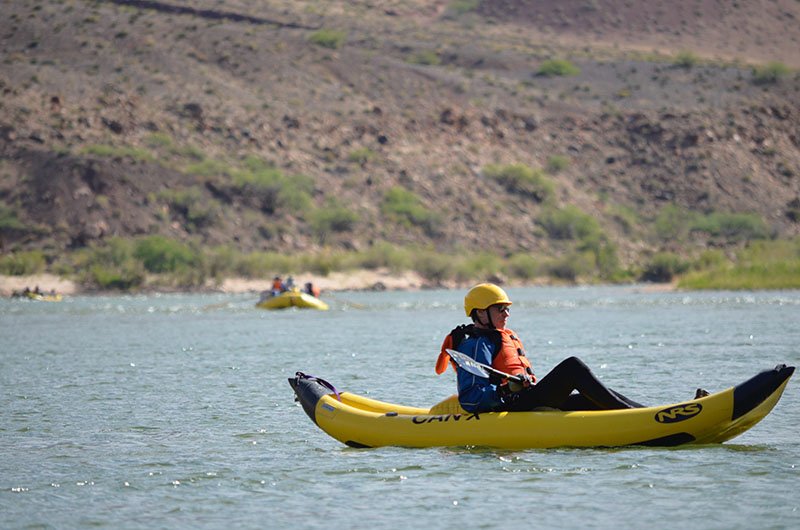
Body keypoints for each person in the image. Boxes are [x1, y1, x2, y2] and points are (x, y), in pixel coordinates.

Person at [436, 283, 643, 413]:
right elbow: (472, 400)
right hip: (512, 404)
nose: (506, 314)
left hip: (527, 397)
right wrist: (507, 388)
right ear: (480, 313)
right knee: (572, 367)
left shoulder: (500, 336)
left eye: (507, 309)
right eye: (500, 309)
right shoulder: (476, 344)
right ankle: (635, 419)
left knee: (596, 397)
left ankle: (648, 413)